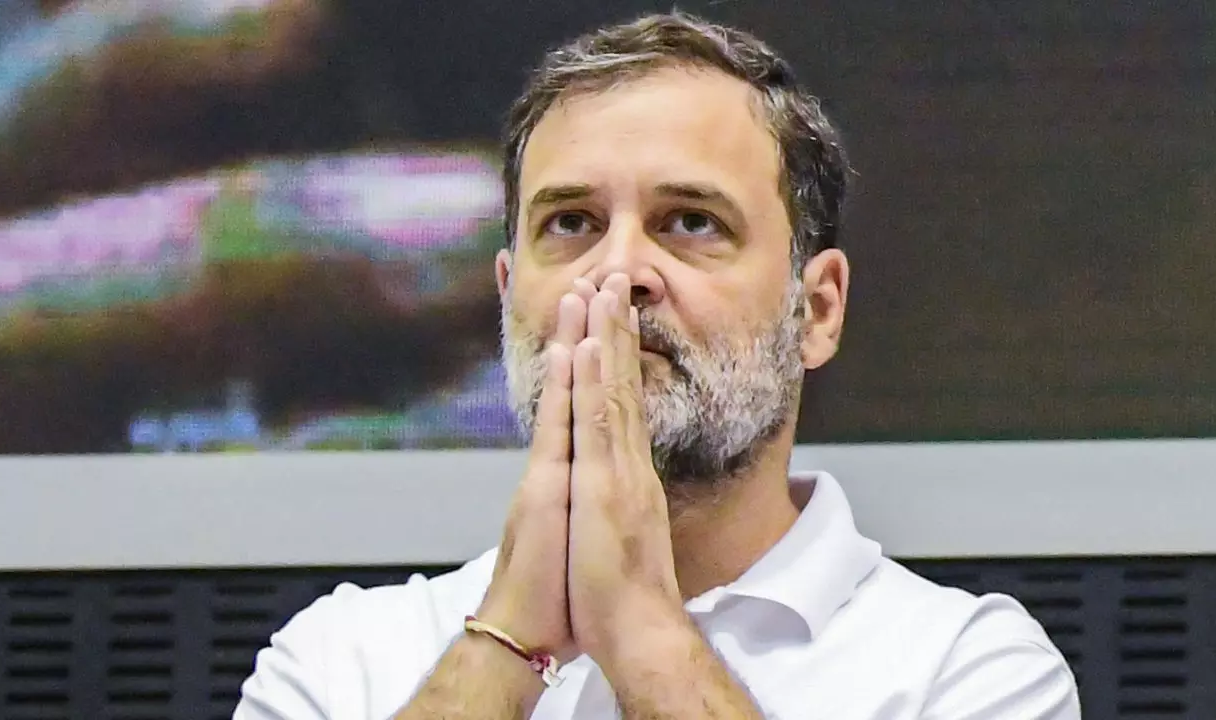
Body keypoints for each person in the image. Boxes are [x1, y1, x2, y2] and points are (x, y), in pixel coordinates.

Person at [234, 12, 1080, 720]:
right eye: (571, 223)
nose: (617, 271)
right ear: (507, 295)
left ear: (817, 311)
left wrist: (643, 629)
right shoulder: (342, 660)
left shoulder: (967, 670)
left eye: (691, 222)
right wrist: (506, 644)